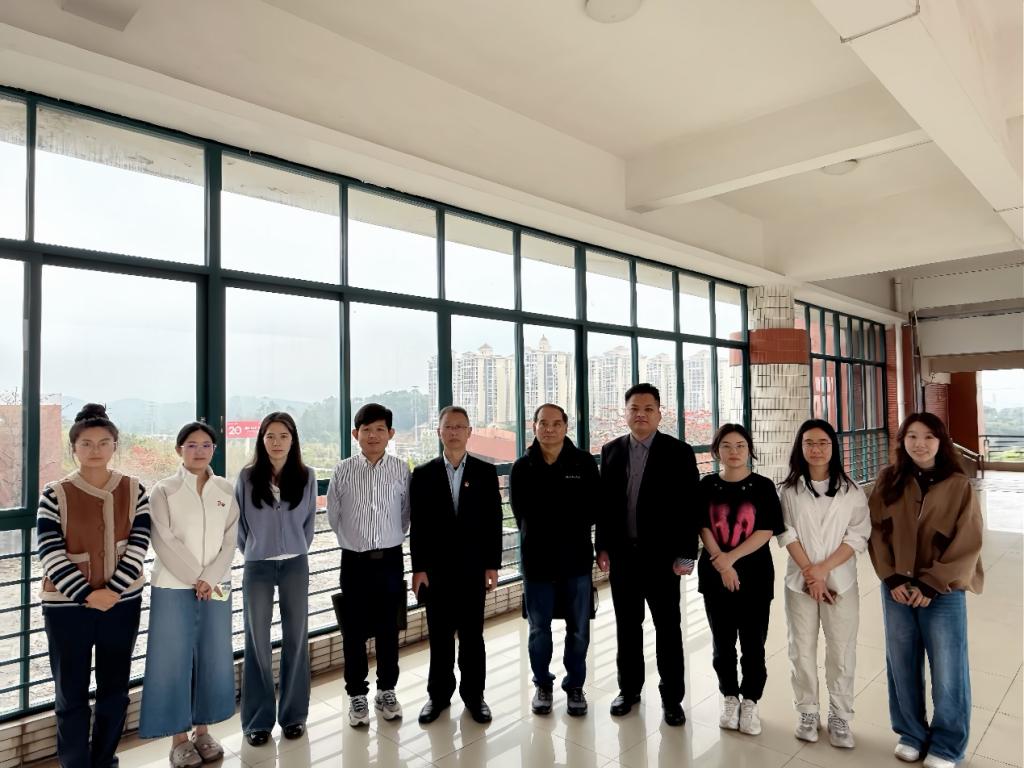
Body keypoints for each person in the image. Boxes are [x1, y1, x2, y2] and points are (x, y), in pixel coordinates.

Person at [37, 403, 151, 768]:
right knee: (70, 693)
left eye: (103, 442)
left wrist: (113, 591)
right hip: (66, 608)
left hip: (122, 603)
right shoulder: (54, 493)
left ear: (115, 445)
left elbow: (140, 543)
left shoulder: (135, 489)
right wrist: (87, 594)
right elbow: (49, 551)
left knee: (115, 691)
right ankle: (75, 763)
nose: (95, 450)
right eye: (86, 443)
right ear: (74, 448)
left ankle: (104, 761)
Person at [869, 413, 984, 768]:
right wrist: (891, 578)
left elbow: (969, 540)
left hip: (943, 590)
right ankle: (911, 733)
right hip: (898, 589)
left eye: (929, 437)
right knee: (901, 662)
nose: (920, 444)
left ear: (941, 442)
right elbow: (876, 532)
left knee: (948, 668)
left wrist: (932, 583)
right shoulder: (889, 479)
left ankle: (947, 745)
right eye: (912, 436)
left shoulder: (958, 484)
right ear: (902, 440)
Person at [595, 383, 699, 726]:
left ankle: (672, 698)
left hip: (663, 560)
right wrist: (602, 546)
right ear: (625, 413)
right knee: (627, 627)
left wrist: (687, 555)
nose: (640, 414)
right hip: (623, 557)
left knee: (668, 628)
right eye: (634, 409)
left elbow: (690, 508)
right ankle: (629, 690)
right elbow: (605, 507)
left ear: (659, 413)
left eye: (648, 409)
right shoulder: (610, 451)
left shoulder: (679, 452)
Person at [139, 421, 240, 767]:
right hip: (173, 585)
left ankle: (203, 730)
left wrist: (209, 578)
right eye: (191, 445)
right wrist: (197, 578)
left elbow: (230, 540)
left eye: (206, 445)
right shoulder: (163, 490)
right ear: (178, 450)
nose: (199, 451)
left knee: (212, 657)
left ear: (214, 450)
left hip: (217, 586)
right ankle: (178, 738)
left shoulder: (225, 489)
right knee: (173, 661)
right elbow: (163, 539)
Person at [777, 419, 870, 749]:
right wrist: (811, 573)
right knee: (800, 649)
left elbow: (858, 535)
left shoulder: (852, 490)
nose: (816, 449)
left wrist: (823, 571)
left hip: (840, 583)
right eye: (809, 443)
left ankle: (840, 715)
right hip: (799, 583)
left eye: (823, 443)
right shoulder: (787, 490)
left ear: (833, 447)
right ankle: (807, 712)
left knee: (841, 650)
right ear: (800, 448)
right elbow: (786, 532)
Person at [410, 406, 502, 724]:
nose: (453, 432)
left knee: (473, 637)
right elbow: (418, 526)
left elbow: (494, 521)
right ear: (439, 432)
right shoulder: (423, 474)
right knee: (439, 637)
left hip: (473, 569)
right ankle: (438, 696)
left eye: (459, 427)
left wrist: (492, 565)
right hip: (436, 571)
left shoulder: (485, 472)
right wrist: (418, 568)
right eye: (448, 427)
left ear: (469, 432)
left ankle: (475, 697)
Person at [510, 404, 601, 717]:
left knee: (579, 630)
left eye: (555, 423)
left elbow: (593, 509)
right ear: (533, 426)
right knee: (539, 630)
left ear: (566, 426)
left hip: (576, 561)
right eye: (543, 423)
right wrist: (562, 516)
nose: (549, 429)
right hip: (537, 563)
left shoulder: (583, 463)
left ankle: (575, 685)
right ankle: (542, 684)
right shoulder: (522, 467)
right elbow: (522, 514)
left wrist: (554, 519)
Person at [235, 412, 317, 747]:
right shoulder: (246, 477)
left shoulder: (307, 476)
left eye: (283, 436)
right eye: (270, 436)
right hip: (258, 567)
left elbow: (309, 522)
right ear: (262, 440)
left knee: (296, 637)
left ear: (293, 439)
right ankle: (258, 720)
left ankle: (294, 716)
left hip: (295, 564)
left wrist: (295, 548)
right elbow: (240, 525)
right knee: (257, 641)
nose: (277, 442)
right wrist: (256, 550)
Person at [327, 403, 411, 728]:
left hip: (390, 560)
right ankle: (357, 694)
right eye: (366, 430)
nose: (373, 435)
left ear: (390, 434)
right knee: (354, 632)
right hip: (354, 563)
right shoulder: (342, 470)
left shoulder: (401, 469)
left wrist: (386, 538)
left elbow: (405, 514)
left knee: (389, 629)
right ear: (355, 434)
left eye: (379, 429)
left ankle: (386, 690)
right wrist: (356, 541)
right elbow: (334, 516)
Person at [697, 423, 784, 736]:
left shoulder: (762, 486)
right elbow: (703, 526)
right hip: (715, 575)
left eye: (740, 446)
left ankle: (750, 701)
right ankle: (729, 697)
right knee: (722, 644)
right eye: (726, 446)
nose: (733, 452)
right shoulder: (707, 485)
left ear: (749, 450)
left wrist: (730, 559)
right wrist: (721, 563)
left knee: (752, 644)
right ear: (716, 451)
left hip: (755, 576)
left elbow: (766, 530)